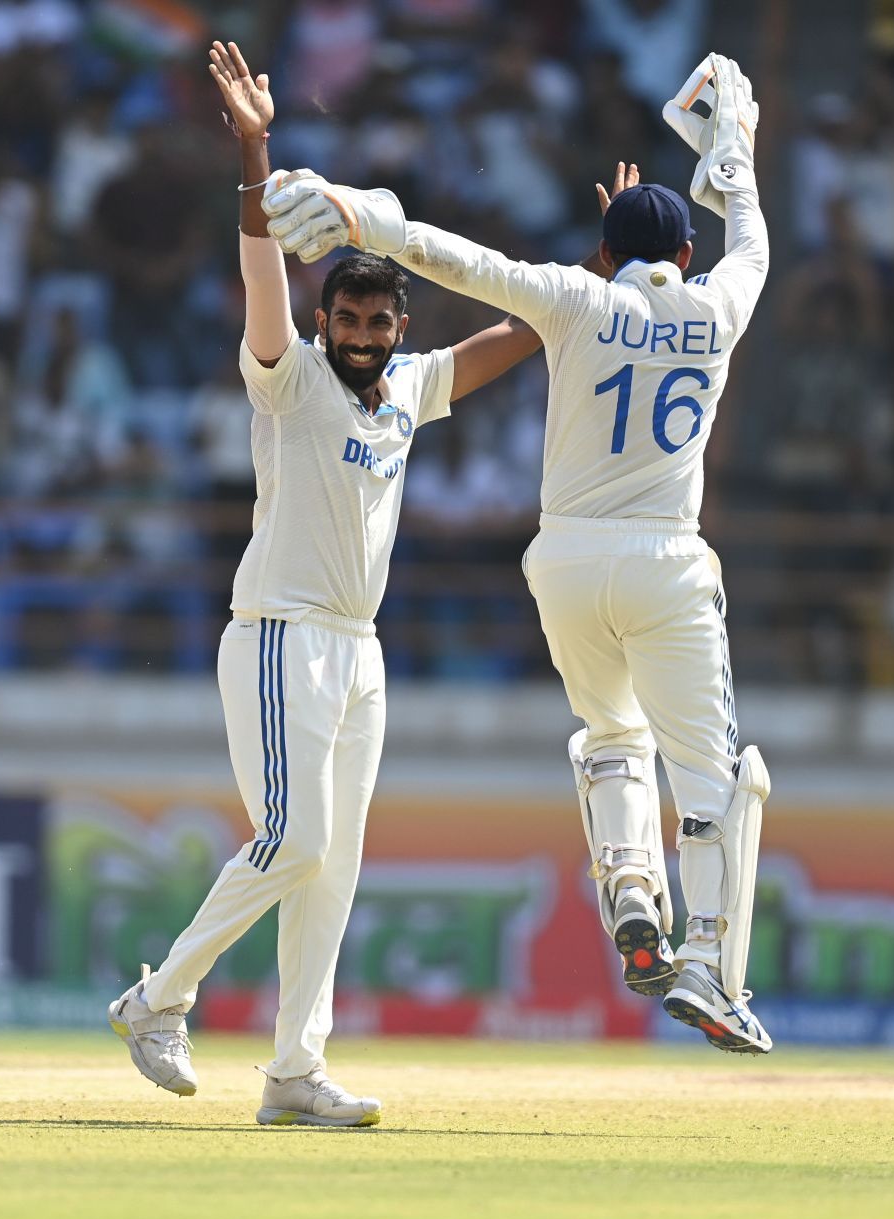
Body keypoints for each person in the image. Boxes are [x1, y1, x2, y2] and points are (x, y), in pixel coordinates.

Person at [260, 54, 776, 1053]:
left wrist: (355, 214)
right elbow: (750, 241)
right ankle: (710, 965)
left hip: (568, 562)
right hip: (668, 558)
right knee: (710, 776)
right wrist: (735, 153)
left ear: (603, 247)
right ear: (682, 247)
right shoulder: (716, 308)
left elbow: (459, 260)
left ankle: (632, 894)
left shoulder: (576, 300)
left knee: (610, 731)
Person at [106, 42, 556, 1127]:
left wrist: (593, 286)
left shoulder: (407, 389)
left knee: (334, 865)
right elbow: (263, 271)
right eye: (346, 321)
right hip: (277, 632)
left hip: (359, 647)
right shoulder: (290, 378)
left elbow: (522, 328)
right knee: (292, 840)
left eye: (376, 323)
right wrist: (256, 153)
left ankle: (295, 1072)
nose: (359, 335)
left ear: (399, 329)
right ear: (325, 327)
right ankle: (158, 998)